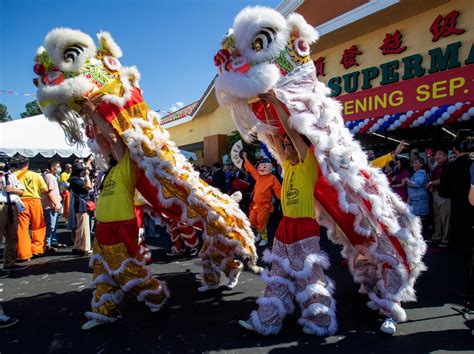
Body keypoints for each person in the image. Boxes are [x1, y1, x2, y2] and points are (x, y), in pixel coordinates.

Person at [239, 91, 337, 336]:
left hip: (304, 229)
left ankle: (321, 322)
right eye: (283, 146)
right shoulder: (288, 166)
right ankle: (267, 321)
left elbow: (290, 133)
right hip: (285, 228)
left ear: (300, 146)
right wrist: (262, 111)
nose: (283, 147)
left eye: (288, 145)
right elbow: (275, 137)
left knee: (310, 279)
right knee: (277, 277)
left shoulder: (307, 164)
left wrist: (273, 102)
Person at [81, 101, 169, 330]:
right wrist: (90, 120)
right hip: (102, 227)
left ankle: (156, 295)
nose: (106, 147)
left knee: (128, 271)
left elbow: (111, 139)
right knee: (102, 272)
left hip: (121, 226)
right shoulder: (108, 170)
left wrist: (94, 113)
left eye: (112, 145)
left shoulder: (126, 163)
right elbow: (103, 141)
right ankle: (104, 311)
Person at [242, 153, 281, 246]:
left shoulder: (272, 178)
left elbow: (278, 189)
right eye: (261, 165)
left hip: (265, 205)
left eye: (264, 165)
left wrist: (285, 198)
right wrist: (245, 158)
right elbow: (251, 169)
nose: (262, 168)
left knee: (261, 222)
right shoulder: (258, 176)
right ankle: (259, 234)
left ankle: (264, 238)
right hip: (255, 204)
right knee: (251, 220)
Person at [14, 158, 48, 261]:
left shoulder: (14, 175)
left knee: (22, 227)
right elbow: (45, 189)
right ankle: (37, 249)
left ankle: (24, 253)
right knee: (39, 225)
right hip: (35, 200)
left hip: (21, 201)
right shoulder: (36, 175)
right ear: (28, 164)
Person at [0, 162, 27, 271]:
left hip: (12, 205)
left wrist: (13, 189)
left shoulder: (11, 176)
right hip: (1, 205)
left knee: (12, 236)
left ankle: (9, 262)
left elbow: (22, 191)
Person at [427, 149, 451, 246]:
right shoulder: (437, 166)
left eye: (440, 154)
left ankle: (446, 239)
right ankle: (437, 235)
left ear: (445, 155)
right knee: (437, 217)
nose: (437, 157)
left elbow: (443, 180)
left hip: (444, 194)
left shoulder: (448, 165)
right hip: (435, 193)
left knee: (445, 217)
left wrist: (431, 183)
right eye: (436, 155)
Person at [69, 162, 92, 256]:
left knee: (80, 226)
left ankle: (77, 246)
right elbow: (89, 187)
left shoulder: (73, 179)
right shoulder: (75, 179)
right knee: (84, 227)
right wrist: (87, 176)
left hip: (79, 204)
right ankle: (85, 248)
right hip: (81, 205)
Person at [41, 160, 62, 252]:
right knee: (50, 226)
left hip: (53, 205)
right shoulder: (49, 177)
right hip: (50, 206)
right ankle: (47, 244)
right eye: (58, 166)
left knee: (53, 226)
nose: (59, 168)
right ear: (53, 167)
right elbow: (49, 192)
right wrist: (56, 203)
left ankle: (52, 242)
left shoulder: (53, 176)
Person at [407, 157, 430, 239]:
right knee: (419, 221)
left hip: (420, 201)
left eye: (416, 163)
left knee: (421, 221)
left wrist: (408, 181)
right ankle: (420, 237)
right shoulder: (417, 173)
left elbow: (417, 184)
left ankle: (422, 238)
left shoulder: (420, 173)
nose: (414, 164)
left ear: (421, 164)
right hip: (417, 201)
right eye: (413, 163)